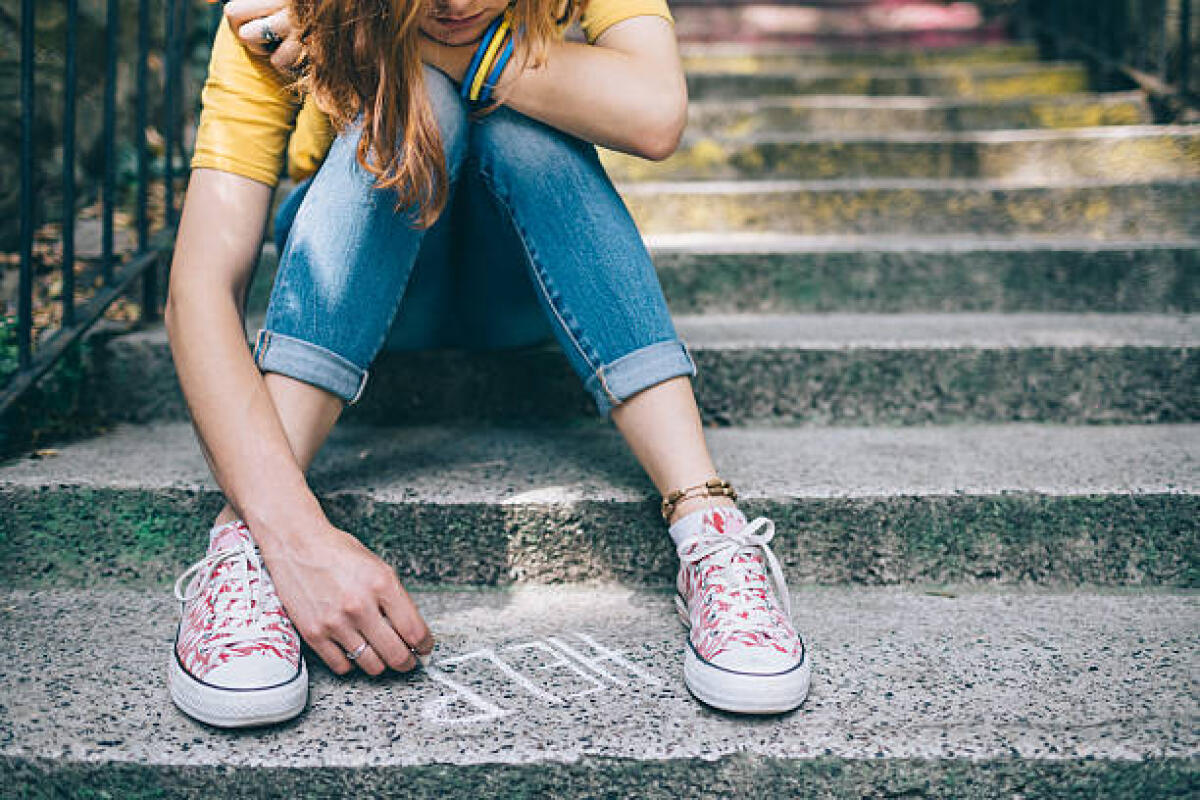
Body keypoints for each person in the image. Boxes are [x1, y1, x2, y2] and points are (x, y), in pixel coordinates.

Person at [165, 0, 809, 728]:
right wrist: (297, 537)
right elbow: (196, 290)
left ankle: (707, 521)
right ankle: (248, 543)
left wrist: (391, 48)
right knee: (423, 107)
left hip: (524, 288)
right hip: (377, 292)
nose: (452, 3)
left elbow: (657, 113)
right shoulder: (285, 12)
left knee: (515, 112)